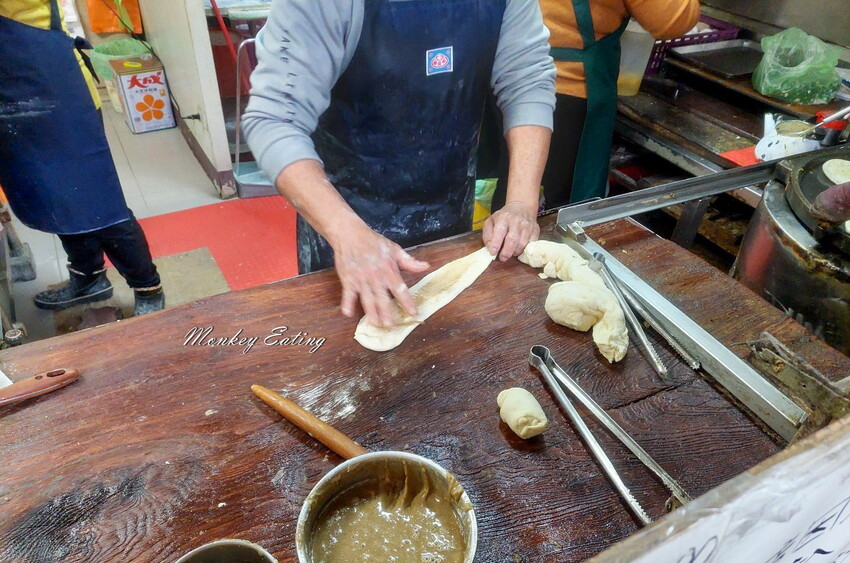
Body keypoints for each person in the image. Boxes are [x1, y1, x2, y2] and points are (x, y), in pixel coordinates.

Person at [243, 0, 556, 328]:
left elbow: (527, 84)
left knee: (445, 344)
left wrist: (521, 202)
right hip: (343, 234)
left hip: (450, 219)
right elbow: (275, 119)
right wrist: (347, 234)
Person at [0, 0, 165, 316]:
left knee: (98, 203)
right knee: (54, 195)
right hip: (16, 93)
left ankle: (147, 286)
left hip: (56, 90)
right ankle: (88, 277)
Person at [489, 0, 700, 210]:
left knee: (514, 195)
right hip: (563, 91)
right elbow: (674, 20)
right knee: (555, 209)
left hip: (507, 77)